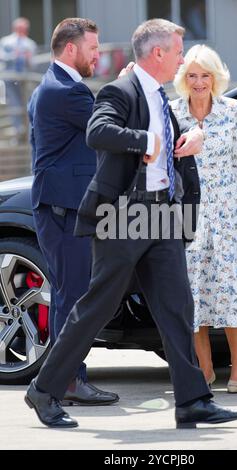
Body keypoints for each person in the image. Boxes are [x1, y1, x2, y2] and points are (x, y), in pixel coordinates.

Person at [24, 18, 237, 429]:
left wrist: (186, 144)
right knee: (96, 306)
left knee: (177, 307)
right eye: (178, 52)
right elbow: (98, 130)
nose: (182, 59)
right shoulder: (120, 90)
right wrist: (148, 141)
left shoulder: (160, 96)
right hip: (125, 215)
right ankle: (44, 389)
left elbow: (168, 151)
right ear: (159, 53)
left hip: (160, 214)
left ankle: (193, 401)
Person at [172, 44, 237, 393]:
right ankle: (204, 368)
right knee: (194, 290)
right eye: (192, 75)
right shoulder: (174, 113)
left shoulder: (230, 109)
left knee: (232, 289)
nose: (199, 82)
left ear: (215, 78)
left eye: (205, 75)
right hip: (190, 217)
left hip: (227, 213)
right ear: (184, 79)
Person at [28, 18, 118, 406]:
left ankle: (66, 378)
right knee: (73, 298)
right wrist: (126, 88)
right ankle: (66, 380)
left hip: (63, 207)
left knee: (74, 295)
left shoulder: (55, 86)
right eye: (93, 48)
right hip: (64, 210)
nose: (98, 55)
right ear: (70, 49)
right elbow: (108, 126)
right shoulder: (65, 92)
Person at [0, 17, 37, 138]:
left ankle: (27, 130)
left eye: (24, 29)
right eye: (20, 28)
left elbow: (33, 65)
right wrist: (14, 55)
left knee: (27, 104)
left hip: (25, 79)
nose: (22, 31)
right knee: (14, 104)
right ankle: (18, 130)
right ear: (14, 28)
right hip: (10, 79)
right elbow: (2, 57)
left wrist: (28, 58)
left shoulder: (30, 44)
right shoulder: (6, 41)